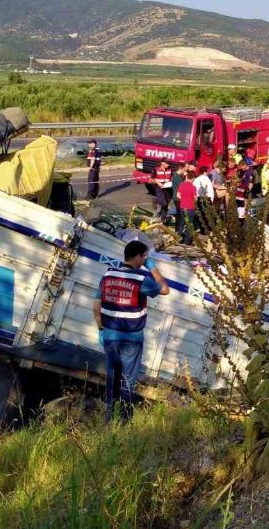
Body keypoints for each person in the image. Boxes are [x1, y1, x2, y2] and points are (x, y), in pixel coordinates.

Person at [93, 240, 169, 423]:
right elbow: (165, 289)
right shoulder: (141, 279)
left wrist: (101, 329)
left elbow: (96, 307)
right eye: (144, 257)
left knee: (113, 378)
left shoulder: (108, 275)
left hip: (110, 337)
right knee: (127, 381)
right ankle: (124, 421)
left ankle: (109, 419)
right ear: (136, 257)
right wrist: (152, 268)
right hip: (132, 339)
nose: (144, 260)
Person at [177, 169, 198, 244]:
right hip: (190, 208)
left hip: (182, 207)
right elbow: (195, 199)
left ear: (187, 177)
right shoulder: (193, 187)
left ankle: (178, 238)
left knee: (182, 223)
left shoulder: (181, 184)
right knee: (190, 225)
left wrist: (183, 199)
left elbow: (178, 195)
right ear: (193, 178)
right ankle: (187, 241)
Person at [193, 166, 214, 232]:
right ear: (205, 171)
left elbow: (194, 189)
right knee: (207, 215)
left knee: (200, 215)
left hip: (198, 198)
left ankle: (202, 229)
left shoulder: (196, 179)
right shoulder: (207, 179)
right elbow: (211, 191)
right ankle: (207, 229)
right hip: (207, 198)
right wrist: (211, 200)